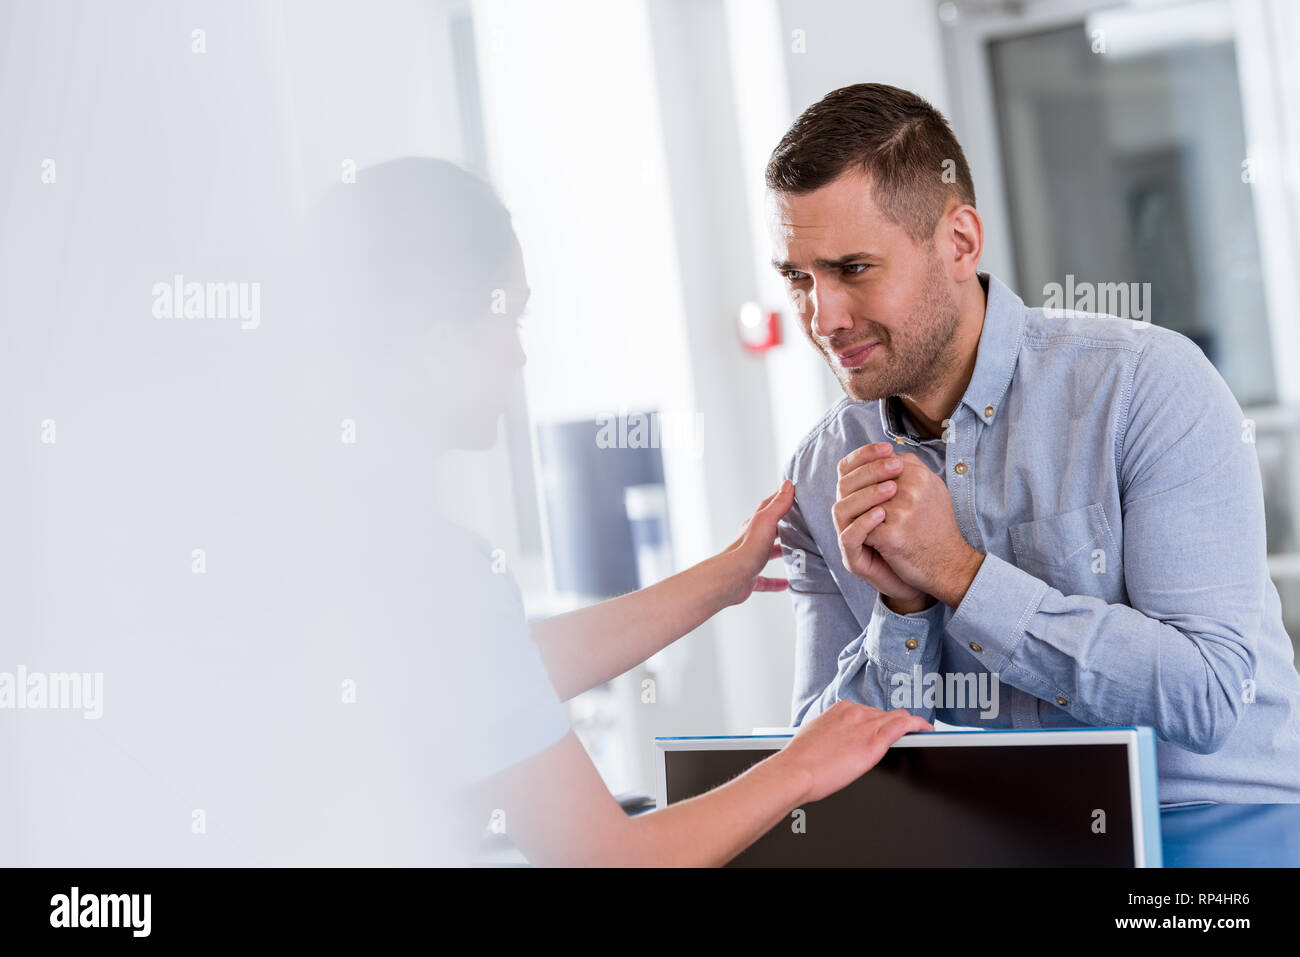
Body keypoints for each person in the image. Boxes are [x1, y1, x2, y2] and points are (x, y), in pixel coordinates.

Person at [271, 157, 931, 867]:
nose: (520, 355)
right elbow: (607, 860)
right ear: (438, 343)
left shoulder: (321, 527)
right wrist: (801, 763)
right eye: (510, 315)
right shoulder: (431, 569)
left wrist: (724, 577)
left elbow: (499, 664)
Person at [766, 83, 1300, 804]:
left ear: (959, 243)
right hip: (1006, 834)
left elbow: (1205, 696)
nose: (822, 317)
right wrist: (902, 612)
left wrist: (957, 572)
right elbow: (819, 762)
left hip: (1214, 825)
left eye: (853, 269)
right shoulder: (822, 467)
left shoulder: (1145, 384)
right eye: (798, 277)